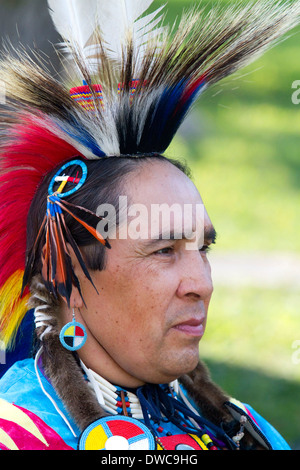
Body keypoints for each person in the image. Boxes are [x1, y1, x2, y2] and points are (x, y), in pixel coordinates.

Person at [0, 0, 298, 451]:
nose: (202, 283)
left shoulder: (243, 428)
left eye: (204, 249)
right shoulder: (23, 436)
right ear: (67, 279)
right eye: (164, 251)